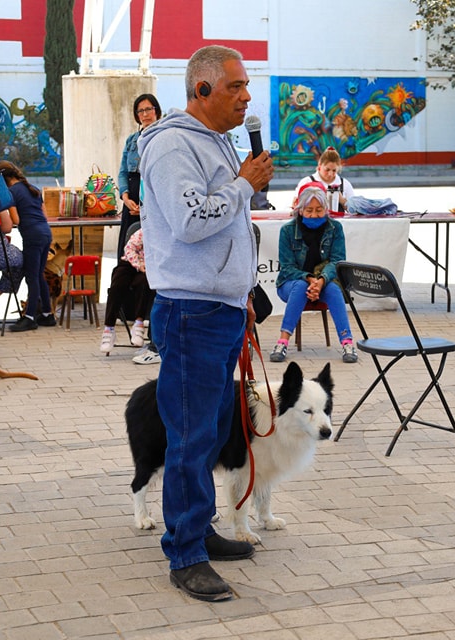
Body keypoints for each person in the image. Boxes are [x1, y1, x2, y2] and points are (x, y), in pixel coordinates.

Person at [137, 45, 274, 602]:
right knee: (191, 437)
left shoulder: (217, 141)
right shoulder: (171, 145)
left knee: (214, 429)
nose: (246, 97)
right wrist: (242, 184)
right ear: (201, 91)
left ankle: (201, 527)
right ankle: (186, 553)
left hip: (220, 308)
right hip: (191, 311)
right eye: (236, 87)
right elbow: (191, 221)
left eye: (246, 86)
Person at [270, 182, 357, 364]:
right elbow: (287, 267)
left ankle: (347, 342)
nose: (314, 214)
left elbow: (337, 261)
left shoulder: (335, 228)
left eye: (319, 210)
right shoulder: (287, 230)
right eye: (309, 210)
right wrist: (310, 279)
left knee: (333, 290)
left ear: (326, 209)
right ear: (300, 210)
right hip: (291, 282)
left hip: (324, 282)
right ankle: (282, 341)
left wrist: (321, 281)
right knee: (301, 286)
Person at [0, 161, 56, 331]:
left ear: (2, 179)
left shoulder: (11, 193)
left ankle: (29, 318)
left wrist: (2, 209)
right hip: (45, 233)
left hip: (32, 236)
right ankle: (47, 314)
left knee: (32, 276)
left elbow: (16, 220)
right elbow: (43, 214)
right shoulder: (33, 188)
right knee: (39, 274)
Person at [98, 227, 159, 365]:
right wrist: (138, 264)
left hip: (149, 267)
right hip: (131, 262)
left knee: (144, 283)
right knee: (118, 283)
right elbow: (130, 248)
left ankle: (139, 323)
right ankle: (109, 328)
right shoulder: (144, 231)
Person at [117, 93, 162, 260]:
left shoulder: (163, 137)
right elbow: (123, 171)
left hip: (153, 200)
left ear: (156, 111)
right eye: (140, 111)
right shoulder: (131, 140)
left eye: (148, 109)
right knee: (127, 250)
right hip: (131, 201)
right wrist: (126, 198)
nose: (144, 114)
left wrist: (145, 207)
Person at [295, 147, 354, 213]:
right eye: (327, 170)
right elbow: (296, 206)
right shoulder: (307, 182)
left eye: (334, 170)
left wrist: (342, 200)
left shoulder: (345, 184)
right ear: (320, 165)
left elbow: (354, 210)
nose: (330, 174)